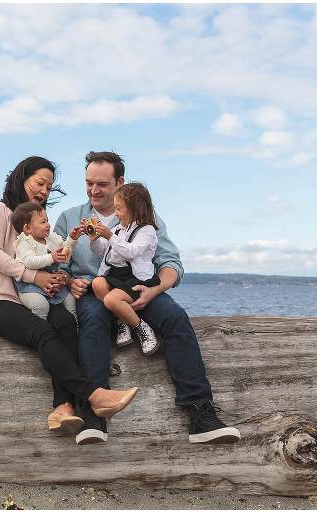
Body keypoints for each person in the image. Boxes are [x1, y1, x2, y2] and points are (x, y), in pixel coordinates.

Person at [54, 151, 241, 445]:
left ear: (120, 182)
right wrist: (69, 280)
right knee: (91, 320)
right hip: (96, 290)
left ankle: (201, 415)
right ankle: (93, 416)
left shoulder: (145, 217)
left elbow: (171, 263)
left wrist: (155, 290)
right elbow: (57, 264)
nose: (93, 190)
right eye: (89, 183)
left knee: (176, 318)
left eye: (102, 184)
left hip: (140, 286)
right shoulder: (68, 218)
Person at [0, 155, 138, 442]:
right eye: (39, 183)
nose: (44, 191)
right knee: (42, 332)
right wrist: (34, 277)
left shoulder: (38, 225)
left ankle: (63, 408)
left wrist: (60, 277)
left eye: (49, 187)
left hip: (27, 298)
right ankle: (94, 397)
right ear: (21, 178)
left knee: (67, 324)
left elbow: (53, 257)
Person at [90, 182, 161, 355]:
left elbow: (131, 252)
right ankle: (122, 320)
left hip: (135, 278)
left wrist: (109, 235)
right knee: (97, 283)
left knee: (110, 301)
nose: (116, 213)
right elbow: (100, 251)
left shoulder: (147, 230)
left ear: (135, 208)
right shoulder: (118, 229)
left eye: (119, 209)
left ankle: (141, 328)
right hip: (117, 275)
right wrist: (94, 238)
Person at [10, 201, 83, 320]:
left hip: (52, 283)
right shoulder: (24, 242)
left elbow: (65, 255)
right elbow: (29, 262)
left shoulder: (51, 239)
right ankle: (41, 331)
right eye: (43, 222)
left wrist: (71, 239)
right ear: (27, 228)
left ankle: (75, 329)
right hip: (30, 287)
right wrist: (51, 257)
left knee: (70, 300)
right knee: (40, 305)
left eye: (47, 220)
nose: (48, 224)